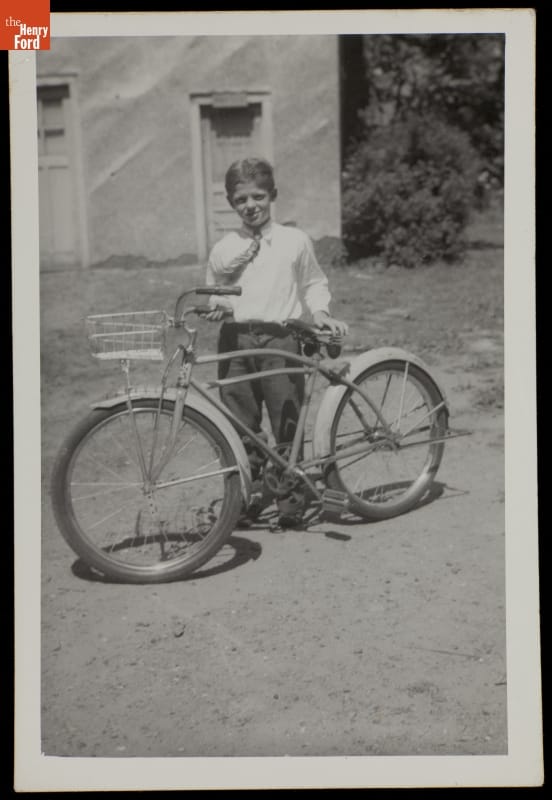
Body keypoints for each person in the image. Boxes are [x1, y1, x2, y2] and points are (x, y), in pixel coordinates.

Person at [204, 157, 348, 528]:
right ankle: (247, 494)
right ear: (231, 202)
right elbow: (215, 289)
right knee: (241, 423)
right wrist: (217, 305)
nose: (250, 206)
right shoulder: (224, 248)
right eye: (241, 200)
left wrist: (320, 312)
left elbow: (314, 282)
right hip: (236, 341)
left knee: (286, 418)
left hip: (280, 339)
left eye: (258, 196)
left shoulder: (293, 241)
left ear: (273, 195)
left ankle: (290, 501)